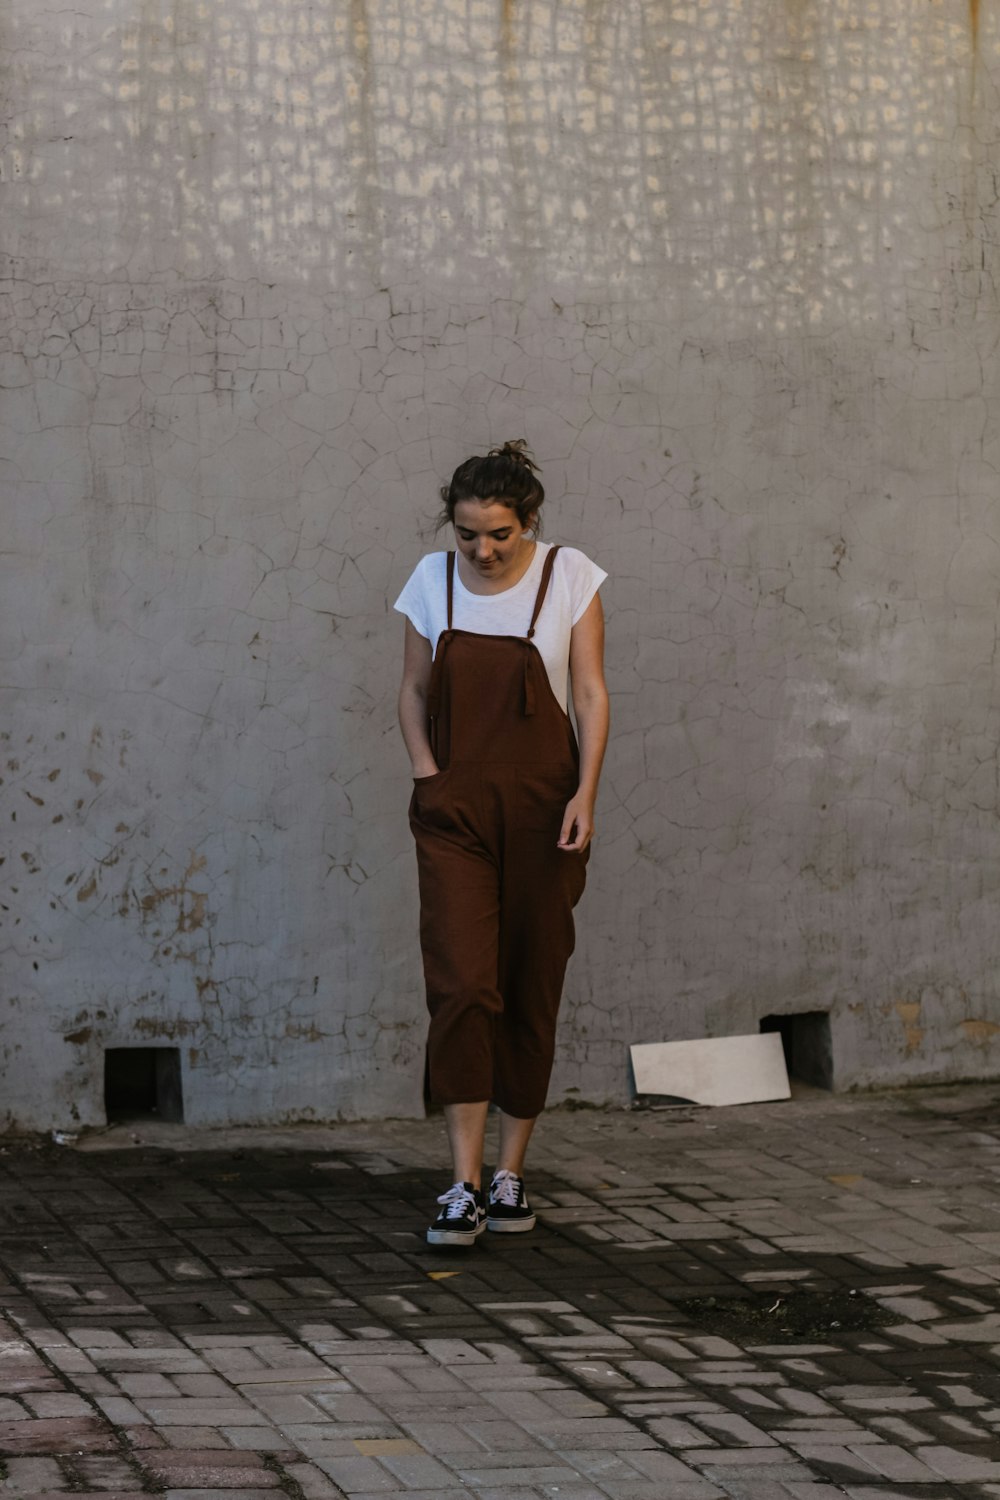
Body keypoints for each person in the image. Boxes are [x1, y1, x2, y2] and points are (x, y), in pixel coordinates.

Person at [395, 440, 609, 1247]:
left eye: (499, 535)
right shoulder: (430, 580)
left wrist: (586, 793)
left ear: (530, 523)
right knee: (460, 986)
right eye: (468, 535)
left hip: (545, 812)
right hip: (455, 813)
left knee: (530, 980)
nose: (482, 551)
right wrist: (428, 776)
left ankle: (512, 1171)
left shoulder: (570, 578)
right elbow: (413, 689)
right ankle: (462, 1184)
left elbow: (588, 692)